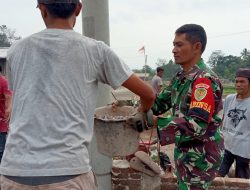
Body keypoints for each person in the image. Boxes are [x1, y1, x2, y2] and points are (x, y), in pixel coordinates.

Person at [0, 0, 155, 189]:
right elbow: (148, 94)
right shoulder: (95, 50)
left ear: (42, 9)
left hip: (14, 170)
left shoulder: (16, 50)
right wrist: (142, 112)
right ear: (78, 8)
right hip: (68, 172)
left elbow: (20, 99)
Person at [151, 24, 224, 190]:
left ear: (196, 46)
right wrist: (130, 106)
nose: (173, 50)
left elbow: (196, 124)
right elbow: (160, 102)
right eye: (174, 45)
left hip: (200, 158)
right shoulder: (181, 77)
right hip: (186, 154)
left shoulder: (204, 80)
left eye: (179, 45)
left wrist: (157, 123)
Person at [218, 68, 250, 179]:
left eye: (242, 82)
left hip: (244, 149)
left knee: (241, 180)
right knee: (217, 176)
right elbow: (223, 117)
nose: (238, 84)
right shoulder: (229, 99)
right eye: (236, 81)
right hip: (226, 145)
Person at [0, 67, 12, 163]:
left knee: (1, 150)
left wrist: (7, 115)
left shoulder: (3, 82)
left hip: (1, 122)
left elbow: (9, 98)